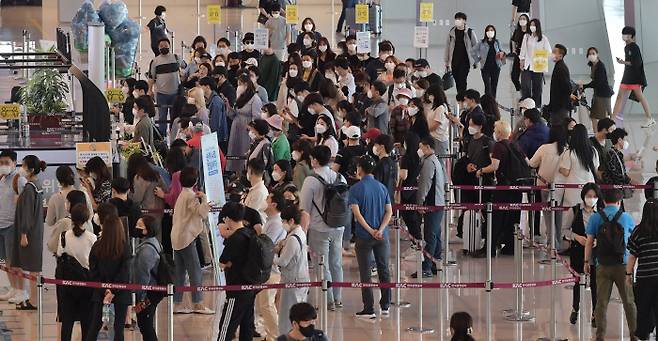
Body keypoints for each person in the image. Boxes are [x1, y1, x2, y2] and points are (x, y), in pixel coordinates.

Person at [584, 189, 638, 341]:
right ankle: (634, 335)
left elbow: (589, 242)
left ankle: (600, 335)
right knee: (628, 301)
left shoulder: (596, 218)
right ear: (619, 202)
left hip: (602, 265)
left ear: (603, 201)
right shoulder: (627, 218)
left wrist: (586, 262)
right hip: (623, 266)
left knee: (601, 302)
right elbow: (634, 242)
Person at [300, 145, 346, 309]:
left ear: (314, 160)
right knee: (336, 263)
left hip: (319, 228)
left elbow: (304, 209)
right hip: (339, 226)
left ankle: (329, 300)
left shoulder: (311, 181)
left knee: (322, 264)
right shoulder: (340, 177)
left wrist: (302, 234)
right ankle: (338, 297)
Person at [349, 156, 393, 319]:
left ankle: (369, 308)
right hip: (382, 235)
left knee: (365, 272)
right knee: (384, 269)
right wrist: (379, 230)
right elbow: (389, 211)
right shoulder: (382, 188)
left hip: (363, 236)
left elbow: (357, 214)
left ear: (359, 169)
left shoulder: (355, 189)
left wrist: (369, 230)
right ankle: (386, 304)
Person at [475, 121, 524, 256]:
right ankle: (510, 247)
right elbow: (527, 162)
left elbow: (495, 166)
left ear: (498, 132)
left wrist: (482, 170)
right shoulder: (515, 145)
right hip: (517, 187)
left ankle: (489, 248)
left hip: (503, 187)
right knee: (512, 218)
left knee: (495, 218)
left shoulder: (498, 146)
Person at [170, 167, 214, 314]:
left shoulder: (183, 194)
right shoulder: (191, 196)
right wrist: (205, 199)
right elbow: (201, 213)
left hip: (177, 237)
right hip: (186, 238)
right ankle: (198, 303)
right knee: (195, 271)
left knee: (180, 272)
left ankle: (176, 303)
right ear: (195, 181)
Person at [85, 210, 132, 341]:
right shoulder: (125, 247)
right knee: (118, 329)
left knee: (94, 326)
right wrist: (113, 290)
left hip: (100, 292)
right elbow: (125, 272)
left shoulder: (97, 247)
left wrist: (104, 290)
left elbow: (93, 272)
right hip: (121, 293)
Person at [562, 183, 602, 326]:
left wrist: (598, 241)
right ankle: (575, 308)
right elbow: (564, 230)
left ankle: (595, 313)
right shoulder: (575, 211)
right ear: (583, 196)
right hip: (578, 251)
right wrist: (577, 237)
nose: (591, 199)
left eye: (594, 196)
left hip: (596, 254)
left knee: (595, 283)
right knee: (578, 281)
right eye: (589, 196)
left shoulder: (600, 212)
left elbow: (605, 232)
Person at [217, 202, 258, 341]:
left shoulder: (234, 239)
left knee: (226, 326)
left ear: (228, 218)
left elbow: (222, 263)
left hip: (236, 289)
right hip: (250, 287)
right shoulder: (250, 233)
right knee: (247, 325)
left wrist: (230, 263)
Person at [10, 155, 46, 310]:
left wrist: (24, 234)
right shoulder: (36, 185)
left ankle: (33, 301)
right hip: (36, 231)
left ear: (30, 169)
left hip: (29, 233)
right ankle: (33, 299)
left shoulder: (31, 188)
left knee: (33, 268)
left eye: (23, 166)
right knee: (34, 268)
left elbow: (27, 213)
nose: (21, 169)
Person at [56, 204, 96, 341]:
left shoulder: (64, 236)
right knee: (87, 322)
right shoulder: (92, 238)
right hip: (87, 283)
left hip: (68, 284)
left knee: (67, 322)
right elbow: (94, 261)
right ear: (87, 219)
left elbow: (59, 255)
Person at [255, 192, 288, 341]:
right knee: (264, 305)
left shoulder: (276, 223)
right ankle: (271, 334)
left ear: (274, 204)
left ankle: (275, 335)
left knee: (267, 305)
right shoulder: (271, 221)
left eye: (268, 198)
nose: (265, 200)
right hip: (267, 269)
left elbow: (266, 245)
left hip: (271, 270)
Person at [276, 204, 310, 335]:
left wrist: (272, 258)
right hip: (300, 277)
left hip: (292, 280)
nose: (282, 224)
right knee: (298, 312)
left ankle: (288, 336)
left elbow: (283, 262)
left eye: (284, 221)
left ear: (291, 220)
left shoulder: (292, 239)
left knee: (288, 314)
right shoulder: (300, 232)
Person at [414, 137, 446, 278]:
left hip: (432, 204)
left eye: (421, 146)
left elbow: (424, 184)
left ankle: (426, 266)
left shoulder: (428, 163)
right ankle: (435, 263)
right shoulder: (436, 160)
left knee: (430, 235)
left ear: (427, 147)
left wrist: (420, 202)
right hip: (438, 203)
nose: (420, 150)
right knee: (436, 234)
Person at [627, 199, 658, 340]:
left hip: (644, 278)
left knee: (643, 309)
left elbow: (632, 257)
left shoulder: (638, 231)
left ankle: (643, 335)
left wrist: (628, 274)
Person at [612, 26, 654, 128]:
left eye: (625, 34)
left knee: (640, 97)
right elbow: (630, 62)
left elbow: (637, 63)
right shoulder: (626, 47)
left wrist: (623, 62)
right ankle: (612, 120)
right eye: (623, 34)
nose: (623, 36)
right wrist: (624, 62)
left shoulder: (634, 47)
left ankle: (649, 118)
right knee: (619, 97)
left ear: (631, 35)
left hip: (634, 78)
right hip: (626, 76)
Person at [132, 216, 164, 341]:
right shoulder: (154, 242)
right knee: (146, 325)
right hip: (154, 289)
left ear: (147, 230)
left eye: (140, 226)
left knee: (145, 326)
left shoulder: (146, 250)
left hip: (149, 292)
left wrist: (140, 298)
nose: (136, 228)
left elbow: (142, 276)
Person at [0, 150, 26, 303]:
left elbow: (24, 205)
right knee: (7, 262)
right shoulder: (1, 179)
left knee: (16, 262)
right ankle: (13, 288)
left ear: (14, 163)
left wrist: (23, 230)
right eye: (1, 163)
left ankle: (22, 291)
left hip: (12, 226)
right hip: (1, 225)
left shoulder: (19, 180)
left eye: (6, 163)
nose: (3, 166)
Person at [227, 74, 264, 173]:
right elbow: (234, 114)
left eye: (240, 84)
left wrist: (251, 127)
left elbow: (256, 117)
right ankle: (235, 172)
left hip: (246, 130)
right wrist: (228, 106)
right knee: (234, 150)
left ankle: (242, 172)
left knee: (243, 151)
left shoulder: (255, 99)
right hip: (236, 127)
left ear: (246, 84)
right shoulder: (240, 97)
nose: (238, 86)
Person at [148, 37, 182, 134]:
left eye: (165, 45)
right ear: (158, 48)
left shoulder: (176, 58)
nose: (163, 47)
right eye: (161, 46)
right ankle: (162, 137)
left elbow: (184, 68)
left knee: (175, 116)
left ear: (169, 46)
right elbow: (151, 78)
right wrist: (150, 90)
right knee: (162, 117)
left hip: (175, 93)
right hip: (161, 94)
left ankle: (174, 135)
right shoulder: (155, 61)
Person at [579, 47, 614, 132]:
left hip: (603, 95)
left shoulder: (600, 66)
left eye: (593, 53)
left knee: (601, 117)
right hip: (599, 94)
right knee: (596, 116)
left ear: (597, 54)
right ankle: (598, 134)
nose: (591, 55)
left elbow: (597, 82)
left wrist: (585, 86)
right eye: (590, 54)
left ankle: (604, 135)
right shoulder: (593, 65)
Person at [47, 190, 91, 255]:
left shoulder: (64, 222)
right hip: (86, 262)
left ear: (69, 204)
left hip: (69, 263)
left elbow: (52, 246)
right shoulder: (88, 222)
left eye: (66, 202)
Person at [519, 18, 551, 107]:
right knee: (526, 86)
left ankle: (537, 107)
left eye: (534, 25)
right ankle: (526, 106)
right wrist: (521, 60)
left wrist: (539, 56)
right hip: (527, 65)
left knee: (537, 88)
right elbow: (523, 49)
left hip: (538, 65)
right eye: (531, 25)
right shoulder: (527, 36)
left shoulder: (543, 38)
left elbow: (548, 52)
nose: (532, 27)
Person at [444, 12, 478, 95]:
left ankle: (462, 97)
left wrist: (475, 61)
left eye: (459, 19)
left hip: (465, 61)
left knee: (463, 79)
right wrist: (447, 61)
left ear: (464, 21)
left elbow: (476, 46)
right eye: (456, 19)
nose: (457, 21)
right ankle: (460, 95)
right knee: (457, 79)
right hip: (454, 60)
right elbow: (447, 47)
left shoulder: (470, 32)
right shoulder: (452, 32)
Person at [132, 161, 166, 239]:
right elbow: (166, 190)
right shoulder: (157, 175)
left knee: (146, 236)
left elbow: (137, 198)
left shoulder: (140, 177)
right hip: (159, 211)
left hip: (147, 212)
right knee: (157, 236)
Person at [474, 25, 505, 98]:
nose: (490, 32)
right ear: (485, 32)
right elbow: (472, 51)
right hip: (485, 68)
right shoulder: (481, 42)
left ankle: (493, 101)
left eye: (492, 30)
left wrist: (501, 59)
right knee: (487, 86)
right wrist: (478, 59)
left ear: (494, 32)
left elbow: (502, 52)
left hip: (496, 67)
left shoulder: (497, 42)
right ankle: (487, 101)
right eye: (488, 30)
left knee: (494, 85)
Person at [546, 44, 573, 126]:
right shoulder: (559, 66)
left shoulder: (561, 68)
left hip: (560, 108)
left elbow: (567, 87)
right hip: (558, 106)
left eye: (554, 52)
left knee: (559, 130)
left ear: (560, 56)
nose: (552, 54)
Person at [199, 77, 229, 148]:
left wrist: (209, 136)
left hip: (217, 137)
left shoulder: (216, 101)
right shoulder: (208, 99)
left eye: (201, 86)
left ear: (207, 87)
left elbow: (215, 123)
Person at [425, 84, 451, 158]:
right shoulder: (434, 107)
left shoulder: (441, 107)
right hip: (433, 137)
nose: (429, 97)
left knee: (440, 162)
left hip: (439, 139)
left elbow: (436, 125)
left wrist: (425, 130)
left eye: (430, 95)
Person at [372, 134, 397, 202]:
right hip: (390, 200)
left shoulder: (380, 165)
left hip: (381, 201)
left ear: (382, 147)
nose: (374, 147)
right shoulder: (393, 163)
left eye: (376, 145)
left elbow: (375, 185)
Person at [510, 14, 530, 94]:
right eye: (521, 19)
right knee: (514, 76)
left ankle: (526, 93)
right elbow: (513, 40)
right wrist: (514, 49)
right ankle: (519, 89)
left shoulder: (530, 32)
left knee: (526, 77)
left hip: (527, 56)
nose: (522, 20)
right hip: (518, 54)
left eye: (524, 19)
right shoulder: (517, 30)